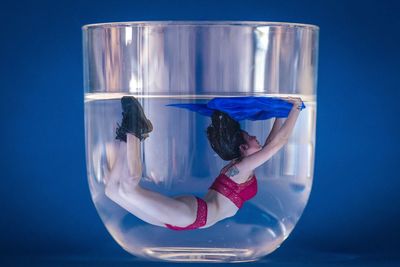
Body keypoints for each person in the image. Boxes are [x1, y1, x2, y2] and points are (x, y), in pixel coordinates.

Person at [104, 96, 303, 230]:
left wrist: (281, 112)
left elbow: (271, 143)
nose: (255, 138)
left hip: (192, 215)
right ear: (243, 148)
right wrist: (295, 108)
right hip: (193, 215)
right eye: (250, 137)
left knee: (112, 191)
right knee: (129, 185)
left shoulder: (241, 166)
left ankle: (128, 132)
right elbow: (276, 144)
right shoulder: (241, 167)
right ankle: (134, 128)